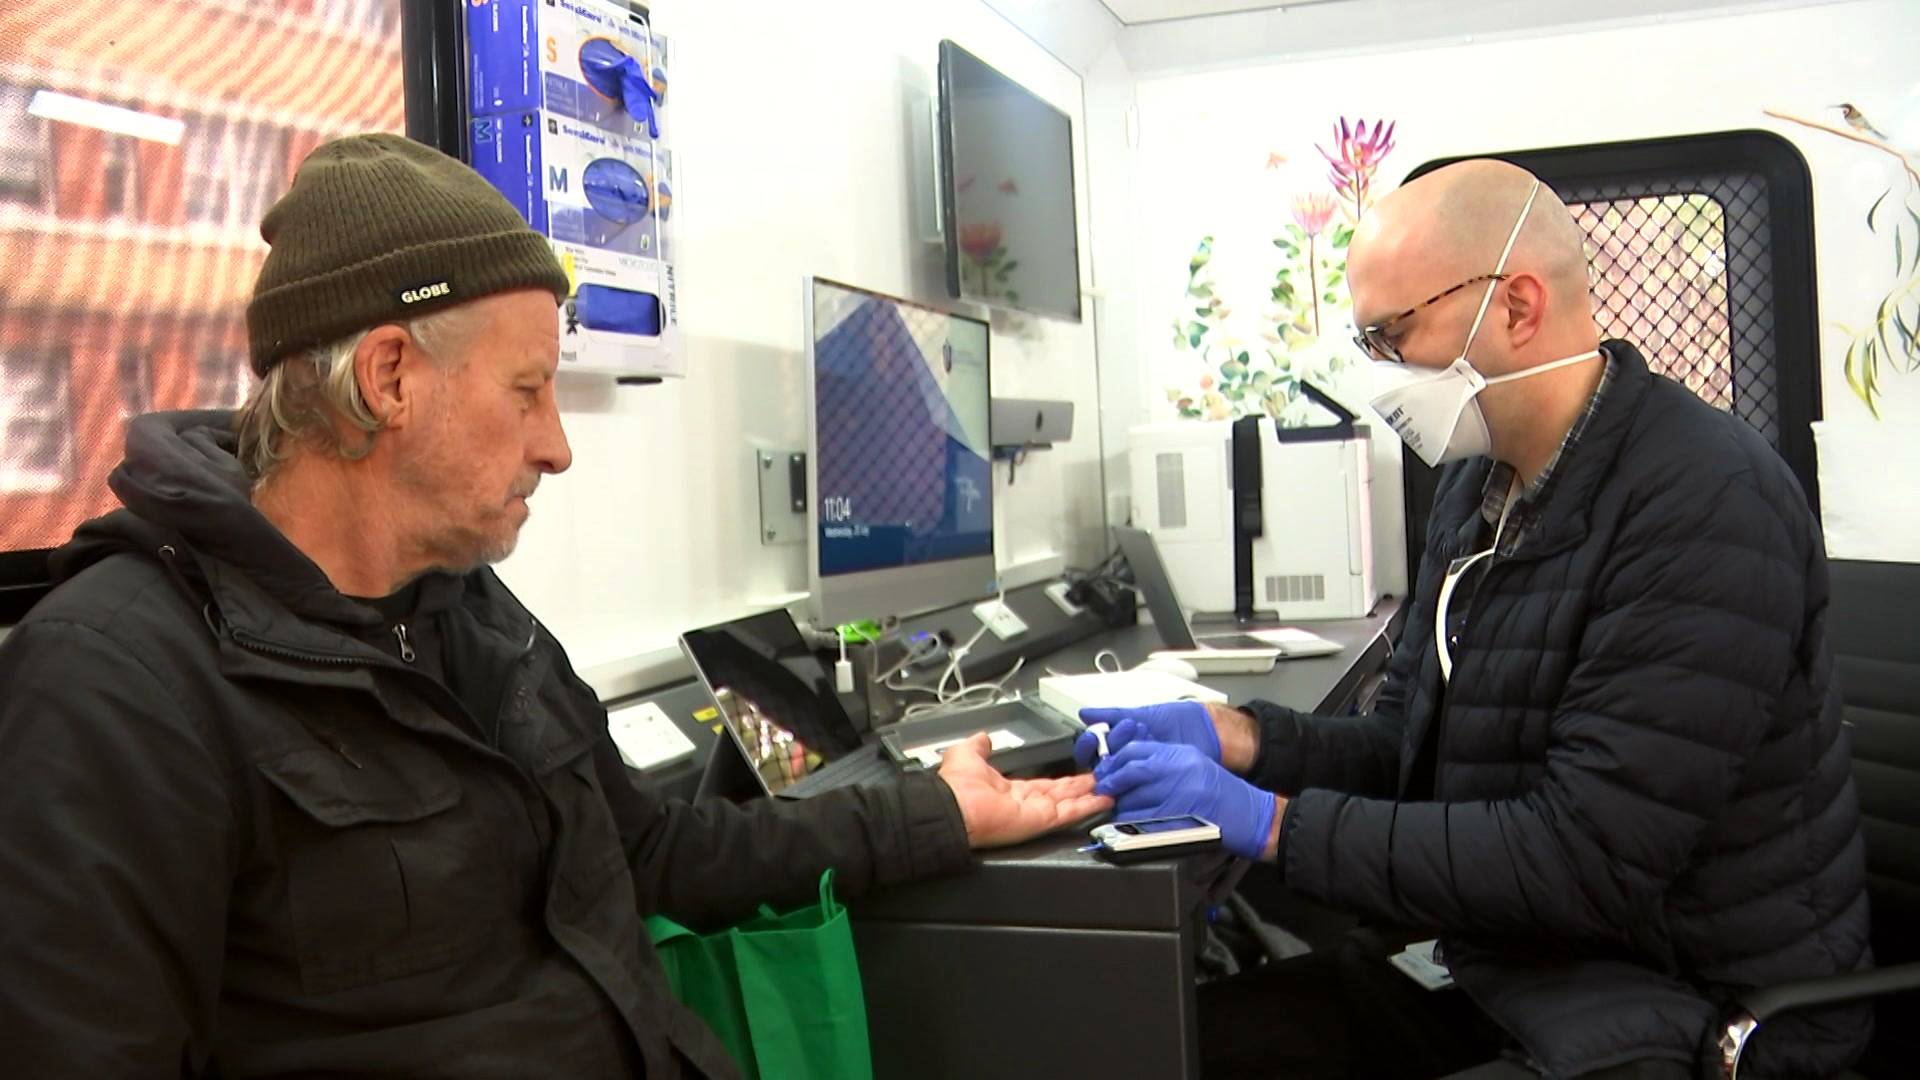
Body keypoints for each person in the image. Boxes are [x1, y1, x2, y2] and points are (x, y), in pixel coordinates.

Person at [0, 133, 1108, 1076]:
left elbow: (657, 852)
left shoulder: (471, 614)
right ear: (389, 378)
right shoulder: (118, 684)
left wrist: (936, 816)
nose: (558, 446)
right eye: (528, 390)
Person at [1082, 159, 1870, 1078]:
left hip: (1687, 1007)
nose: (1379, 373)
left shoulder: (1704, 502)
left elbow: (1585, 858)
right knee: (1177, 1046)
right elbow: (1405, 751)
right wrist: (1241, 739)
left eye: (1394, 334)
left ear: (1517, 307)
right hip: (1520, 963)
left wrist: (1268, 825)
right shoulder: (1477, 485)